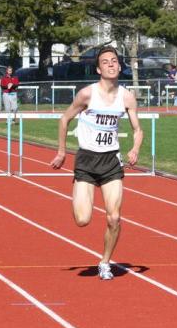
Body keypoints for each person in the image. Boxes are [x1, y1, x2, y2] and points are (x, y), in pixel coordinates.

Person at [50, 46, 143, 280]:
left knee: (114, 217)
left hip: (111, 160)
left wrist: (135, 148)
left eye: (114, 61)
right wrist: (62, 152)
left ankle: (105, 262)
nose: (111, 64)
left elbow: (137, 129)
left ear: (119, 66)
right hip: (87, 160)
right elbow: (64, 119)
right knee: (82, 220)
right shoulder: (87, 94)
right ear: (99, 69)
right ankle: (82, 199)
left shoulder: (127, 97)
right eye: (105, 62)